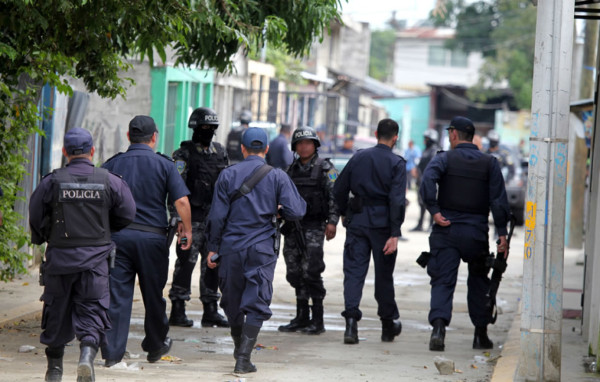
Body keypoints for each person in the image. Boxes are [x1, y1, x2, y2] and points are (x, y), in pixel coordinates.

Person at [29, 128, 136, 382]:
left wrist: (45, 236)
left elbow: (34, 214)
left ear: (65, 152)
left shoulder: (51, 181)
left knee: (55, 313)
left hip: (60, 260)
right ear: (92, 151)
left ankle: (54, 370)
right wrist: (106, 230)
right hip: (96, 261)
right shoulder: (110, 181)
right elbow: (128, 213)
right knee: (93, 311)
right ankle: (86, 358)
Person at [205, 127, 306, 373]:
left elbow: (217, 217)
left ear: (242, 148)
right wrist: (279, 210)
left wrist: (212, 248)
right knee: (257, 299)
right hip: (261, 248)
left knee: (232, 300)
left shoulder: (227, 175)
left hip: (230, 247)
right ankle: (243, 358)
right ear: (267, 149)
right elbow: (298, 211)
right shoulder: (278, 176)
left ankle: (240, 350)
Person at [100, 116, 193, 366]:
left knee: (117, 296)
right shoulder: (164, 165)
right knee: (153, 295)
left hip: (118, 239)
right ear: (154, 137)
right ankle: (155, 345)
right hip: (152, 240)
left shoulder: (112, 164)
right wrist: (189, 231)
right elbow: (182, 201)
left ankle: (111, 353)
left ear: (129, 136)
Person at [419, 116, 510, 352]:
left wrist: (435, 211)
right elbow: (499, 201)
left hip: (446, 230)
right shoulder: (490, 163)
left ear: (453, 135)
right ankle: (480, 335)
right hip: (475, 233)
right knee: (479, 282)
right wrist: (502, 234)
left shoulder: (444, 158)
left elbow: (427, 180)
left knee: (442, 280)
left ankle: (438, 330)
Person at [333, 118, 406, 345]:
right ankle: (387, 325)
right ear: (395, 137)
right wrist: (395, 233)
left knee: (354, 273)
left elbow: (339, 188)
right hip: (383, 226)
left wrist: (345, 212)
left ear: (375, 133)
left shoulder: (359, 157)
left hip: (358, 222)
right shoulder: (397, 163)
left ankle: (351, 325)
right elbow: (397, 201)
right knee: (384, 276)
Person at [168, 107, 229, 328]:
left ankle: (211, 310)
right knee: (185, 263)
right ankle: (177, 309)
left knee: (213, 264)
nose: (208, 131)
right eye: (204, 127)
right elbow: (175, 189)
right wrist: (178, 221)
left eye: (211, 128)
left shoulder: (220, 152)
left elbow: (226, 188)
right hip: (189, 222)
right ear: (194, 128)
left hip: (214, 222)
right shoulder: (182, 155)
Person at [278, 127, 339, 335]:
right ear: (295, 147)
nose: (304, 147)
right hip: (293, 227)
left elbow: (335, 196)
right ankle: (302, 316)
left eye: (308, 143)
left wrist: (332, 222)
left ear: (315, 146)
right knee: (294, 272)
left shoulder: (325, 168)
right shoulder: (290, 170)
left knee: (311, 270)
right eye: (300, 143)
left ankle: (318, 319)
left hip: (314, 226)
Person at [411, 129, 440, 232]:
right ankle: (420, 224)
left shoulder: (435, 151)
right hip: (421, 181)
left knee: (431, 204)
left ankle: (431, 225)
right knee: (421, 204)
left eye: (427, 139)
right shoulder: (426, 150)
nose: (425, 141)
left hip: (430, 183)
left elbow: (432, 168)